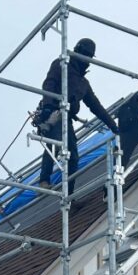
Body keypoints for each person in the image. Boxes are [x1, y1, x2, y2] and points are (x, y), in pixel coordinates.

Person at [33, 38, 119, 194]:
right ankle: (44, 181)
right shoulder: (61, 65)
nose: (86, 59)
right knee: (56, 143)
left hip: (67, 118)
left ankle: (69, 194)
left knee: (73, 157)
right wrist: (47, 106)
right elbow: (49, 84)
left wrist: (113, 125)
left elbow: (96, 106)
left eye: (89, 56)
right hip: (54, 112)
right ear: (78, 51)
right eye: (85, 54)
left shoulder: (83, 83)